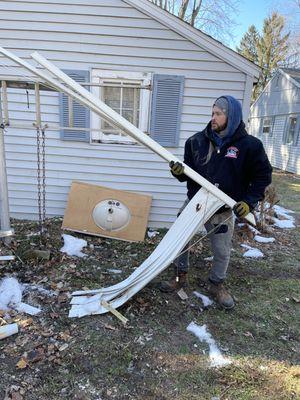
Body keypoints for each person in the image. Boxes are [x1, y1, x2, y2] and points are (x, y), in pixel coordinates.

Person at [160, 95, 272, 309]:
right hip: (196, 204)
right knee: (179, 240)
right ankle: (179, 277)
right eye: (212, 113)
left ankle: (216, 284)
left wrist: (248, 202)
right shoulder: (196, 141)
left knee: (221, 250)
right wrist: (179, 173)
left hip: (222, 209)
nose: (213, 118)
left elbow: (262, 177)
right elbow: (188, 174)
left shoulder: (250, 146)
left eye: (218, 114)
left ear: (231, 116)